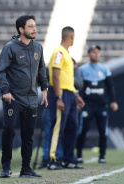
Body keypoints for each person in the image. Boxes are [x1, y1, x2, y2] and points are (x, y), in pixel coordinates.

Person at [0, 15, 48, 178]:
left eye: (35, 26)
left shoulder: (38, 47)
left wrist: (44, 89)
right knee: (9, 130)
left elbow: (41, 70)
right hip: (13, 98)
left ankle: (26, 168)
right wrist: (5, 91)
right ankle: (6, 167)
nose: (34, 29)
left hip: (31, 98)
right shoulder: (10, 47)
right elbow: (0, 72)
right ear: (21, 29)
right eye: (31, 26)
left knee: (28, 134)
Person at [47, 26, 85, 170]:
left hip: (69, 93)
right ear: (71, 38)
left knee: (72, 127)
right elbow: (55, 77)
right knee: (58, 127)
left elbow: (66, 78)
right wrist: (58, 97)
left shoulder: (67, 54)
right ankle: (52, 160)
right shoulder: (59, 53)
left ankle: (67, 160)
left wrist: (76, 94)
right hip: (60, 93)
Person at [76, 45, 118, 164]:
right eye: (94, 52)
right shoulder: (83, 69)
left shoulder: (104, 69)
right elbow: (79, 87)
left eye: (98, 52)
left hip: (101, 104)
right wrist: (79, 102)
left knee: (102, 130)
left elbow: (110, 86)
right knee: (83, 129)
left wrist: (113, 101)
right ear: (89, 54)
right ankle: (78, 155)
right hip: (87, 104)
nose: (96, 54)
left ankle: (102, 156)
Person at [38, 58, 83, 169]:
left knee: (65, 130)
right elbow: (43, 76)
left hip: (68, 98)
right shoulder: (54, 65)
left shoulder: (73, 66)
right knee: (51, 130)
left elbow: (79, 83)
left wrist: (64, 75)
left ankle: (62, 158)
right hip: (54, 101)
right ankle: (47, 158)